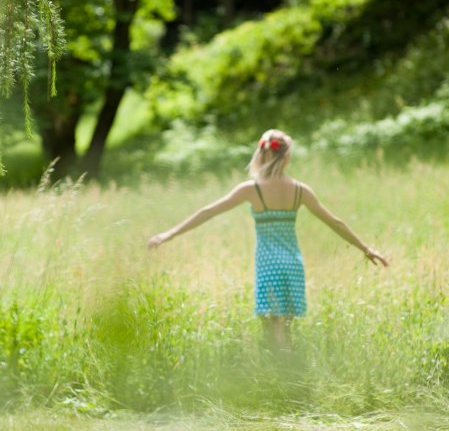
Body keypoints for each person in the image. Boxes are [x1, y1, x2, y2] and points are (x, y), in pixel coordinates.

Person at [148, 129, 388, 350]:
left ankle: (281, 385)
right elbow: (334, 222)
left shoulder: (252, 189)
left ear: (261, 155)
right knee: (286, 330)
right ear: (286, 157)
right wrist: (365, 248)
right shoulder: (300, 190)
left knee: (273, 331)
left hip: (269, 265)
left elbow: (209, 211)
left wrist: (168, 234)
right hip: (293, 264)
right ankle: (291, 381)